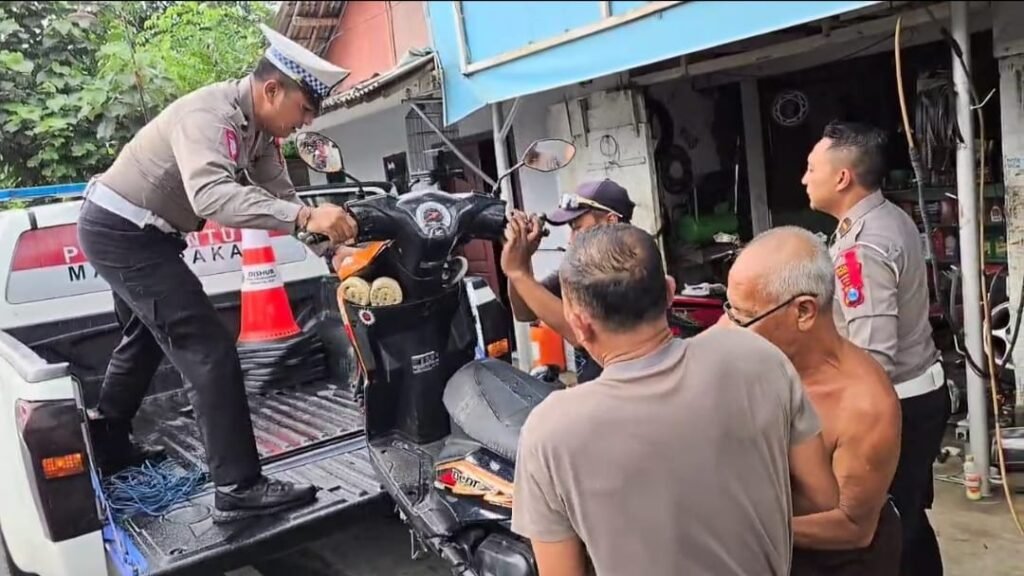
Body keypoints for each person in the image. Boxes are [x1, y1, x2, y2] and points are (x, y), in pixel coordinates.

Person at [77, 24, 359, 523]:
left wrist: (333, 254)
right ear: (272, 90)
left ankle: (108, 442)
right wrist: (303, 217)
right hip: (121, 230)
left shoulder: (262, 132)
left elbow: (283, 198)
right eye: (304, 109)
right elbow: (211, 197)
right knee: (208, 348)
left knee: (145, 337)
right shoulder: (210, 116)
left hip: (140, 231)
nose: (306, 122)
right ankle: (238, 487)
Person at [511, 223, 839, 576]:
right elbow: (822, 496)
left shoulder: (549, 431)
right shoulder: (759, 357)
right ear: (670, 292)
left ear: (578, 323)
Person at [803, 120, 950, 575]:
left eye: (811, 168)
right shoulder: (887, 217)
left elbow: (872, 358)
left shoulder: (862, 247)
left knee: (885, 526)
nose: (804, 179)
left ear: (842, 177)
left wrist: (845, 425)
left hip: (897, 402)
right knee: (909, 514)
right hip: (919, 391)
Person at [724, 225, 903, 575]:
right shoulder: (750, 332)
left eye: (742, 318)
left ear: (804, 311)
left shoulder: (865, 406)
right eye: (729, 309)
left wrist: (742, 529)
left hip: (836, 561)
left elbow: (853, 528)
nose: (729, 326)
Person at [501, 179, 636, 383]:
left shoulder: (633, 269)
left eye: (577, 228)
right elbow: (525, 312)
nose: (571, 240)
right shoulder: (580, 269)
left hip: (626, 389)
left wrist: (518, 272)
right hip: (595, 388)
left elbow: (583, 335)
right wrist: (523, 257)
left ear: (611, 221)